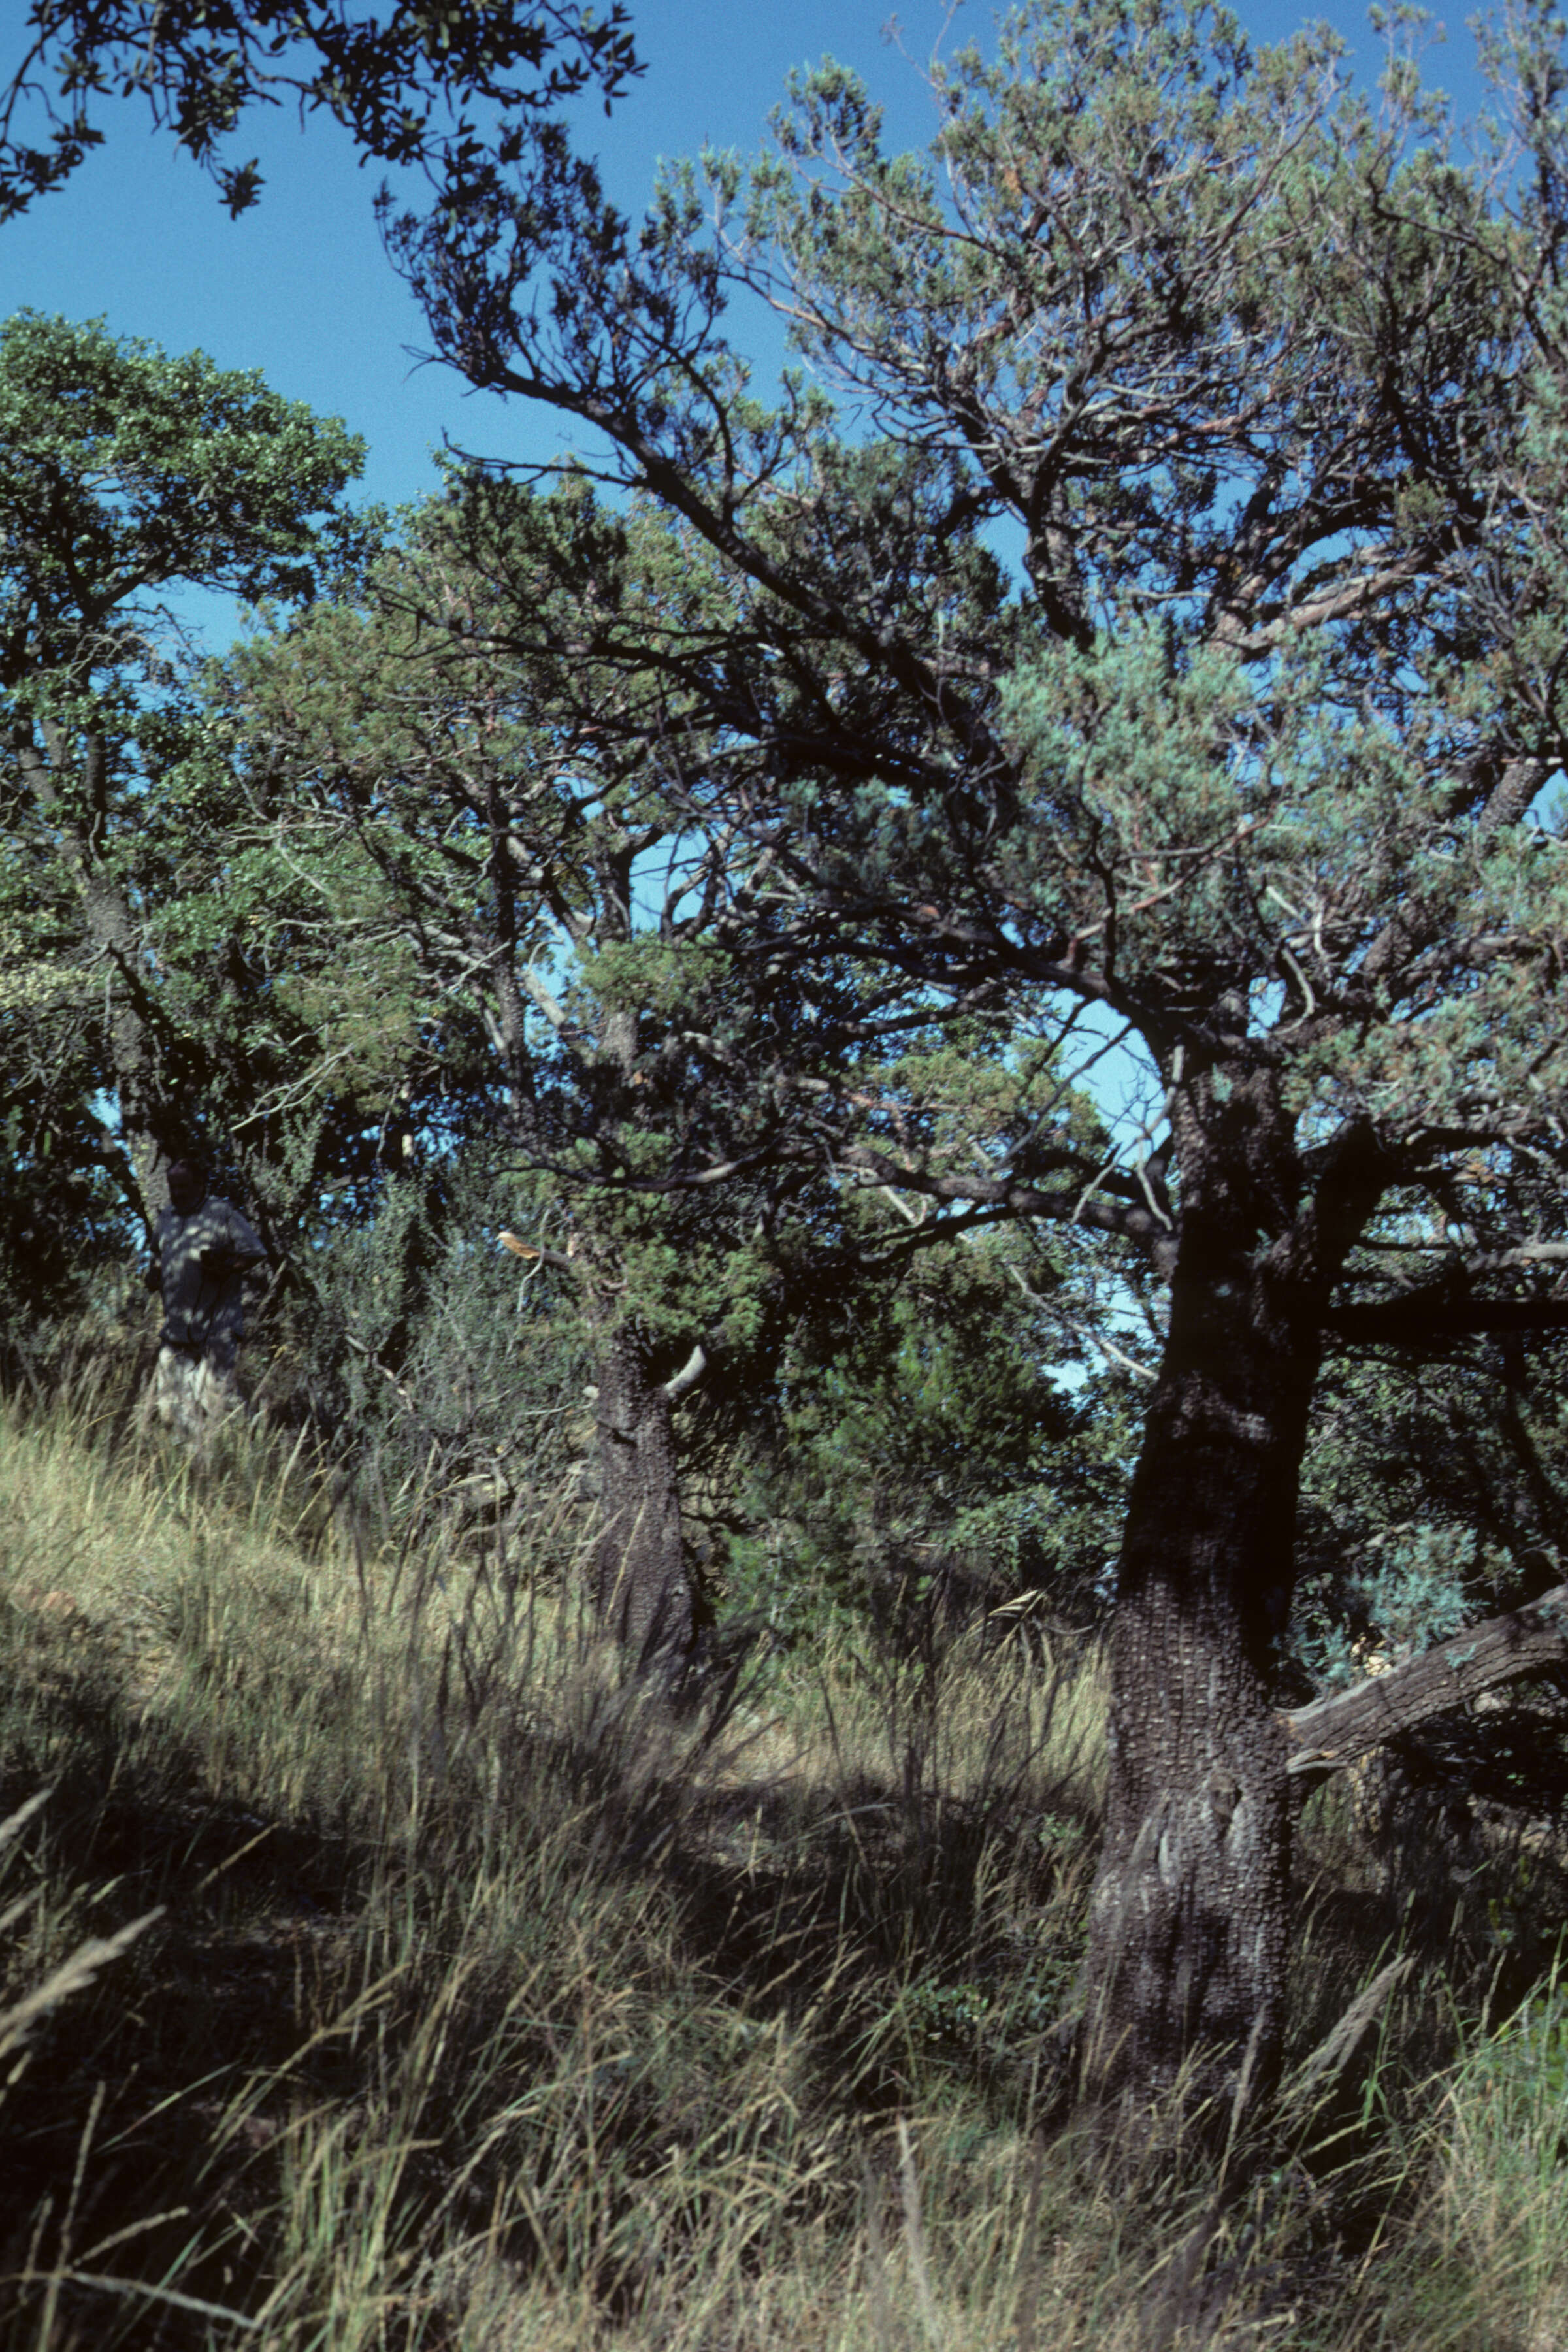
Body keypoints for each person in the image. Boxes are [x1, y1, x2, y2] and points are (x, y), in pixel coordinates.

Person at [149, 1156, 268, 1445]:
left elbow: (255, 1252)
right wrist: (154, 1276)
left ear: (200, 1185)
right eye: (173, 1187)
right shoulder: (166, 1218)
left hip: (217, 1324)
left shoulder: (221, 1213)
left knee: (218, 1399)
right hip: (177, 1327)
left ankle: (252, 1442)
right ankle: (195, 1467)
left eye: (184, 1186)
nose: (178, 1192)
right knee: (170, 1406)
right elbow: (156, 1255)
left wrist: (228, 1267)